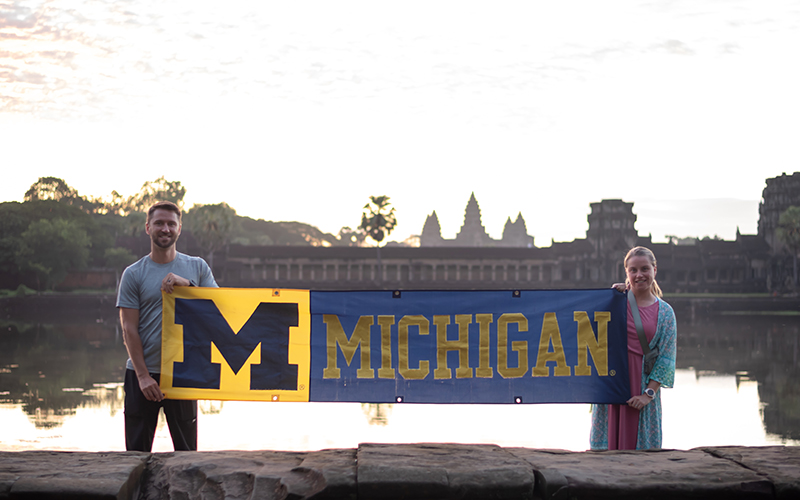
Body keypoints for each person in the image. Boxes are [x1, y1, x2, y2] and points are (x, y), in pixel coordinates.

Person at [117, 201, 218, 452]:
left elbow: (218, 309)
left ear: (179, 229)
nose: (165, 228)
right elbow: (129, 329)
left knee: (187, 455)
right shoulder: (133, 273)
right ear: (148, 228)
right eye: (159, 223)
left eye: (171, 224)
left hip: (183, 373)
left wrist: (187, 286)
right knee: (135, 455)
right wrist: (142, 377)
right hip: (142, 374)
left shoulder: (197, 267)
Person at [590, 246, 677, 450]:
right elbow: (590, 337)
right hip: (611, 386)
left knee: (641, 454)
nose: (639, 275)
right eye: (633, 270)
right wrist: (610, 296)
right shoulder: (613, 304)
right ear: (626, 272)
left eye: (645, 269)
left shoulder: (665, 313)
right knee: (605, 455)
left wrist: (648, 395)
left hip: (642, 387)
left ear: (655, 270)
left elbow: (666, 358)